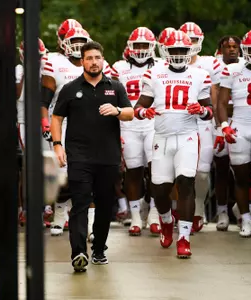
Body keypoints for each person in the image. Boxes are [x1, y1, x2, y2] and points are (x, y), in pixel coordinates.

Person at [51, 41, 134, 271]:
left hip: (108, 157)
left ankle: (99, 249)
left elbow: (130, 113)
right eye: (89, 58)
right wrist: (57, 145)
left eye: (97, 57)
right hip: (79, 156)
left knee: (105, 205)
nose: (94, 62)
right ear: (82, 61)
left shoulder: (115, 87)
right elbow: (56, 118)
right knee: (80, 202)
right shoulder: (70, 88)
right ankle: (78, 253)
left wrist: (117, 111)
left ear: (103, 59)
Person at [134, 30, 213, 258]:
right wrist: (142, 112)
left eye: (182, 50)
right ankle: (167, 221)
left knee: (186, 183)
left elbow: (208, 111)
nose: (178, 54)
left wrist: (202, 110)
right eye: (174, 50)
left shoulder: (200, 75)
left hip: (188, 136)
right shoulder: (154, 73)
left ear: (190, 51)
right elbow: (140, 105)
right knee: (160, 189)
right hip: (162, 137)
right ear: (165, 51)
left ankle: (184, 238)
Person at [217, 29, 251, 239]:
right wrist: (224, 126)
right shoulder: (233, 70)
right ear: (244, 50)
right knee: (240, 177)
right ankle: (246, 218)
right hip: (238, 126)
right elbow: (221, 102)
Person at [111, 27, 160, 237]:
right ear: (129, 47)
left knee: (157, 170)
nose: (140, 49)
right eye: (137, 45)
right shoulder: (119, 67)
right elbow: (110, 96)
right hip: (128, 123)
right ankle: (136, 216)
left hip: (153, 123)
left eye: (144, 45)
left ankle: (156, 213)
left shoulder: (162, 66)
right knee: (133, 171)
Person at [180, 22, 221, 233]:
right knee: (177, 171)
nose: (189, 43)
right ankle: (180, 211)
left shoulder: (209, 63)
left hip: (203, 121)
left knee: (202, 173)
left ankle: (197, 208)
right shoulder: (168, 62)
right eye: (186, 38)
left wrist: (217, 124)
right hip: (179, 121)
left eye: (193, 39)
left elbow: (214, 93)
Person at [211, 36, 244, 231]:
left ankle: (241, 210)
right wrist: (218, 125)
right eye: (227, 47)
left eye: (235, 47)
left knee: (242, 170)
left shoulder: (247, 65)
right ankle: (222, 210)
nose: (232, 50)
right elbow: (215, 100)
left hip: (243, 121)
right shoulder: (216, 68)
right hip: (222, 121)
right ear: (220, 49)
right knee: (222, 169)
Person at [15, 38, 49, 226]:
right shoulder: (18, 70)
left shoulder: (46, 68)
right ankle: (26, 209)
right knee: (29, 166)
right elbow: (17, 93)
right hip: (25, 122)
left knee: (48, 165)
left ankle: (46, 208)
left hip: (44, 121)